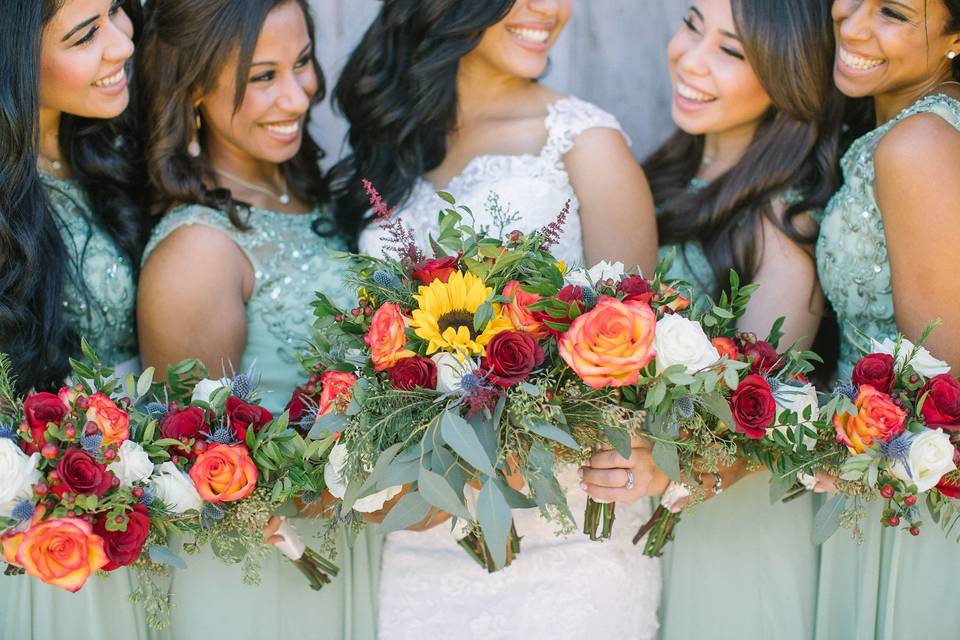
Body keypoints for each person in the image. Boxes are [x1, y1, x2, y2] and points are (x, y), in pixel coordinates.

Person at [332, 1, 661, 637]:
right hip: (422, 544)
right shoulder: (398, 135)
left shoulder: (587, 145)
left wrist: (508, 438)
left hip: (567, 549)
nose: (549, 10)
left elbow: (632, 363)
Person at [581, 1, 846, 638]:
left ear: (790, 76)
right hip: (654, 528)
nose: (690, 59)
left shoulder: (785, 222)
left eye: (731, 51)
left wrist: (667, 460)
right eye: (693, 24)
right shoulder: (671, 171)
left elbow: (756, 410)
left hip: (732, 538)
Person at [136, 1, 379, 637]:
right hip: (266, 580)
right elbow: (205, 472)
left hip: (355, 546)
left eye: (301, 63)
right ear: (194, 91)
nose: (299, 97)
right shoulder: (198, 251)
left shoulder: (311, 193)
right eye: (262, 77)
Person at [0, 1, 162, 638]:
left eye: (118, 10)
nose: (123, 44)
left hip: (138, 509)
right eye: (85, 34)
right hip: (45, 541)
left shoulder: (105, 154)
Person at [814, 1, 960, 638]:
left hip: (910, 502)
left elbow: (945, 384)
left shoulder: (918, 144)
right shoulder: (911, 125)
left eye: (895, 12)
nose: (852, 24)